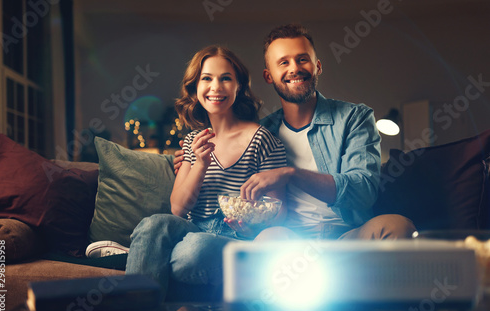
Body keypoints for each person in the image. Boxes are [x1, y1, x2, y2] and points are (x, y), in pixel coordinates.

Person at [171, 23, 416, 277]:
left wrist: (291, 173)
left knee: (399, 227)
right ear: (269, 76)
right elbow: (238, 185)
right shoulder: (261, 134)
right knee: (268, 240)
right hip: (288, 239)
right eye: (283, 62)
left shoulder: (354, 117)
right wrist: (188, 161)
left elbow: (363, 190)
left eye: (302, 60)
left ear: (317, 66)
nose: (295, 68)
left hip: (350, 234)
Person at [126, 45, 286, 311]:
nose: (216, 87)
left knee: (180, 253)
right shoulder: (192, 141)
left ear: (239, 87)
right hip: (192, 228)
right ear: (195, 88)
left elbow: (279, 210)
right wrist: (199, 163)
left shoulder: (262, 139)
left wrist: (250, 218)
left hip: (235, 238)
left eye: (225, 78)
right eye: (206, 79)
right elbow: (177, 208)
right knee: (152, 226)